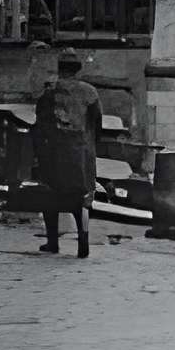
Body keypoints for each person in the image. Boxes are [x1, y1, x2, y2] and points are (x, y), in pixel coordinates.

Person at [32, 50, 102, 258]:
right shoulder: (89, 92)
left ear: (60, 68)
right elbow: (97, 124)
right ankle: (83, 242)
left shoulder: (49, 92)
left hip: (54, 153)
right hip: (80, 153)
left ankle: (52, 242)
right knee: (82, 201)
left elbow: (40, 124)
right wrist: (90, 145)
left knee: (50, 198)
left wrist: (40, 151)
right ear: (77, 70)